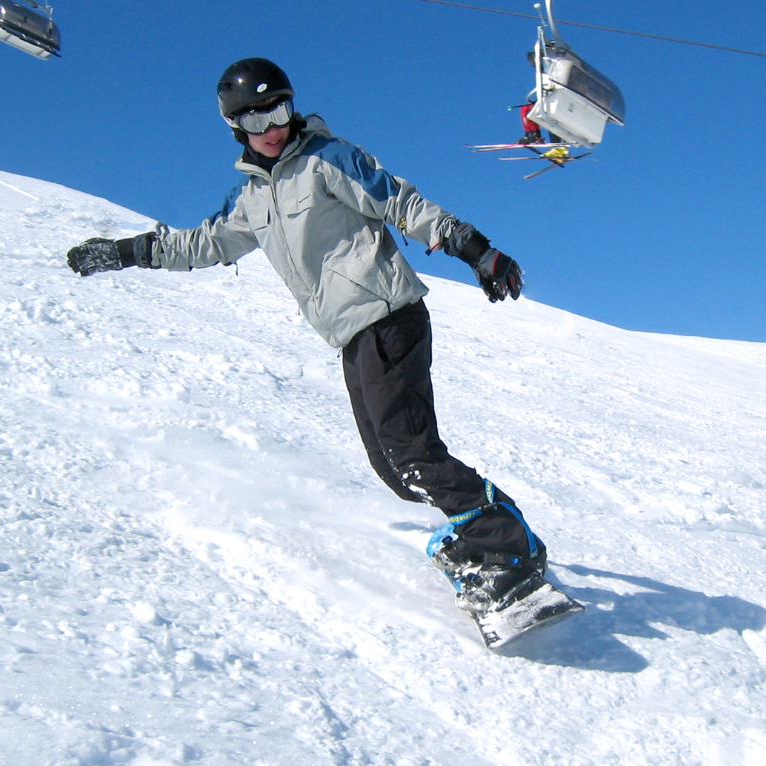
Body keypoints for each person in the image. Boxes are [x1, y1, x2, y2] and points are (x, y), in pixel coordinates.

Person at [66, 58, 546, 615]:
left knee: (412, 452)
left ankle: (512, 553)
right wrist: (125, 253)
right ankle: (486, 531)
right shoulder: (249, 199)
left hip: (388, 316)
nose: (271, 127)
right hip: (351, 334)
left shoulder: (327, 158)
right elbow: (200, 244)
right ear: (234, 127)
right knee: (392, 468)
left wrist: (474, 248)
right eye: (256, 118)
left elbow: (400, 201)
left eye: (279, 109)